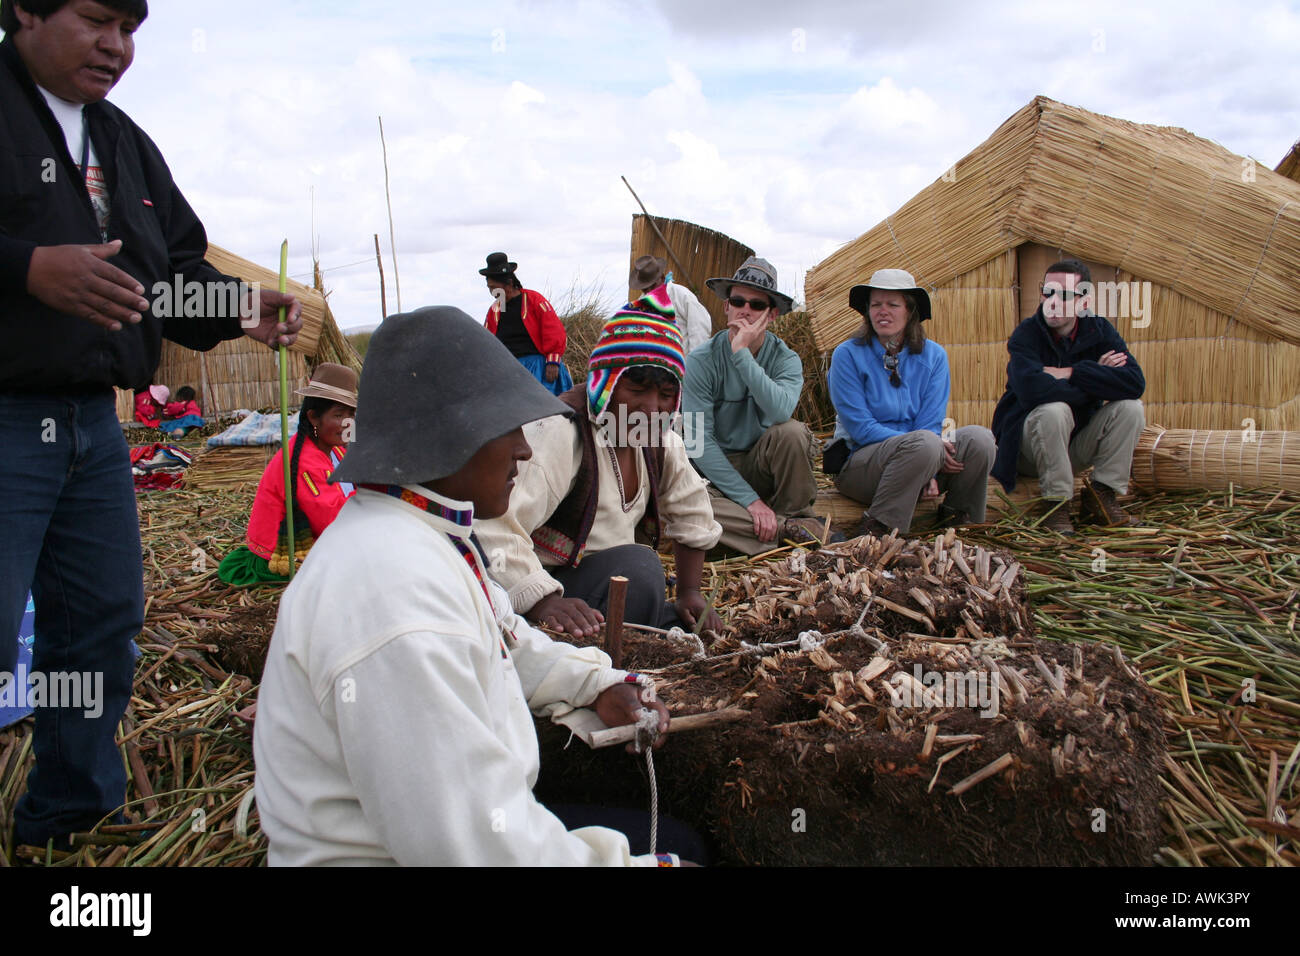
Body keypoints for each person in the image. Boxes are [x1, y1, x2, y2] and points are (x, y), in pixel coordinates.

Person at [0, 0, 303, 851]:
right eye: (96, 20)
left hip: (94, 426)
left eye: (131, 29)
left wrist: (236, 305)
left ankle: (68, 816)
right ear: (25, 8)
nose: (117, 47)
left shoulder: (122, 140)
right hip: (6, 417)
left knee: (99, 620)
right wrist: (26, 268)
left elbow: (169, 275)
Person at [254, 306, 685, 866]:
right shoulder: (396, 597)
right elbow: (470, 846)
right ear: (449, 435)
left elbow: (504, 639)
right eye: (507, 429)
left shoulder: (420, 532)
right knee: (676, 850)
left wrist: (593, 684)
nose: (525, 450)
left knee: (675, 835)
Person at [475, 288, 723, 639]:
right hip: (538, 587)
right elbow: (492, 528)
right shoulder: (560, 433)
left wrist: (690, 592)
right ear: (604, 384)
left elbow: (692, 511)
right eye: (637, 389)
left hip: (602, 583)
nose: (653, 408)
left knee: (653, 596)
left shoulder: (661, 439)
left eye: (666, 395)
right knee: (640, 570)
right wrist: (542, 601)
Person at [827, 269, 995, 536]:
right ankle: (878, 530)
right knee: (926, 444)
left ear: (910, 311)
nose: (883, 311)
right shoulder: (847, 355)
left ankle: (958, 522)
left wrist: (929, 459)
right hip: (862, 464)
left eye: (893, 305)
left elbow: (931, 423)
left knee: (979, 440)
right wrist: (926, 456)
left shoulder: (934, 356)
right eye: (876, 305)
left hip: (924, 454)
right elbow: (861, 429)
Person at [682, 256, 828, 554]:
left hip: (762, 464)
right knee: (679, 502)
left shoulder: (785, 358)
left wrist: (741, 354)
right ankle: (788, 530)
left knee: (793, 432)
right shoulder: (700, 361)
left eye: (757, 305)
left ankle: (792, 515)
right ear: (726, 307)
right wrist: (750, 500)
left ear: (772, 315)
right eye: (738, 301)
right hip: (715, 472)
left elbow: (780, 412)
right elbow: (698, 443)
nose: (745, 310)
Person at [990, 258, 1146, 535]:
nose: (1053, 301)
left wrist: (1072, 373)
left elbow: (1134, 383)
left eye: (1064, 295)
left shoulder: (1100, 331)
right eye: (1047, 292)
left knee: (1131, 408)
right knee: (1053, 409)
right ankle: (1056, 505)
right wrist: (1097, 378)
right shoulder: (1026, 335)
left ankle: (1101, 495)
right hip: (1029, 448)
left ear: (1083, 302)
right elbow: (1032, 391)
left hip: (1075, 447)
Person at [217, 363, 358, 585]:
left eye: (351, 414)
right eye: (338, 415)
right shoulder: (304, 461)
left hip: (326, 537)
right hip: (282, 557)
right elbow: (332, 521)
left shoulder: (336, 448)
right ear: (313, 418)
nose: (347, 423)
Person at [480, 251, 573, 396]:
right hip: (510, 373)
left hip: (539, 368)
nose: (492, 292)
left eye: (494, 287)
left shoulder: (534, 300)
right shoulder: (495, 310)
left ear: (509, 284)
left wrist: (553, 362)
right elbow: (488, 342)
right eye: (489, 288)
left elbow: (553, 330)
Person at [628, 255, 712, 353]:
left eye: (652, 286)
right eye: (645, 289)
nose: (650, 291)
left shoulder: (682, 296)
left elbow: (699, 330)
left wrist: (693, 363)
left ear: (662, 278)